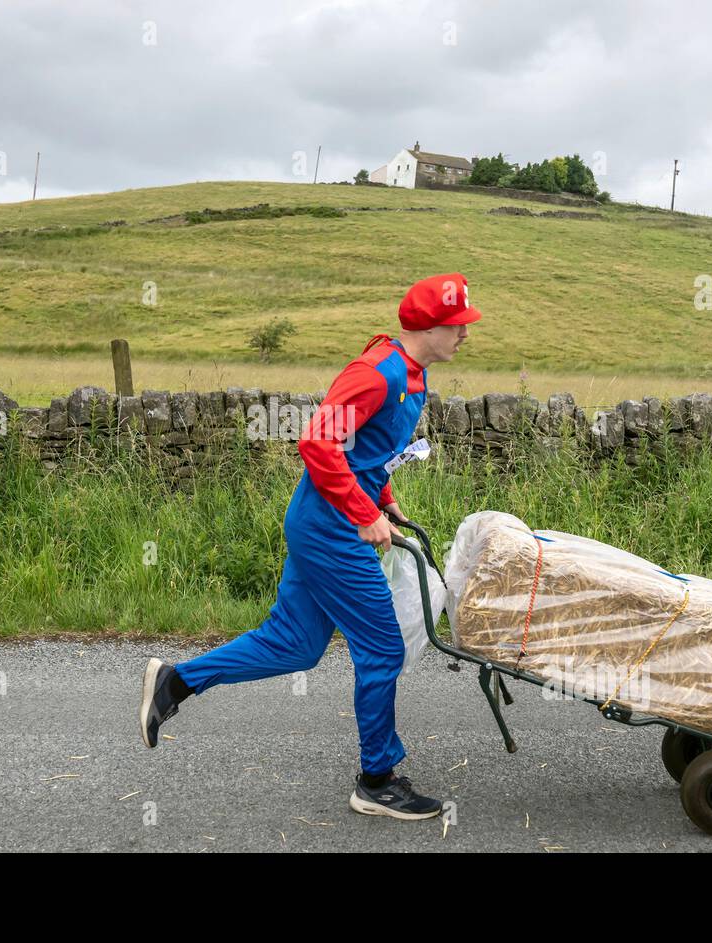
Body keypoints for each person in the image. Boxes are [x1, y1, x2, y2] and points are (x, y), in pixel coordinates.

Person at [139, 273, 481, 819]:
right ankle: (377, 780)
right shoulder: (378, 373)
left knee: (295, 645)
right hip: (330, 528)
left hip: (329, 520)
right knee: (383, 649)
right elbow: (318, 441)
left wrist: (384, 499)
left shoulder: (412, 375)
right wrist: (362, 512)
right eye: (459, 324)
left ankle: (176, 682)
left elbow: (364, 448)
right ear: (429, 325)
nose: (466, 333)